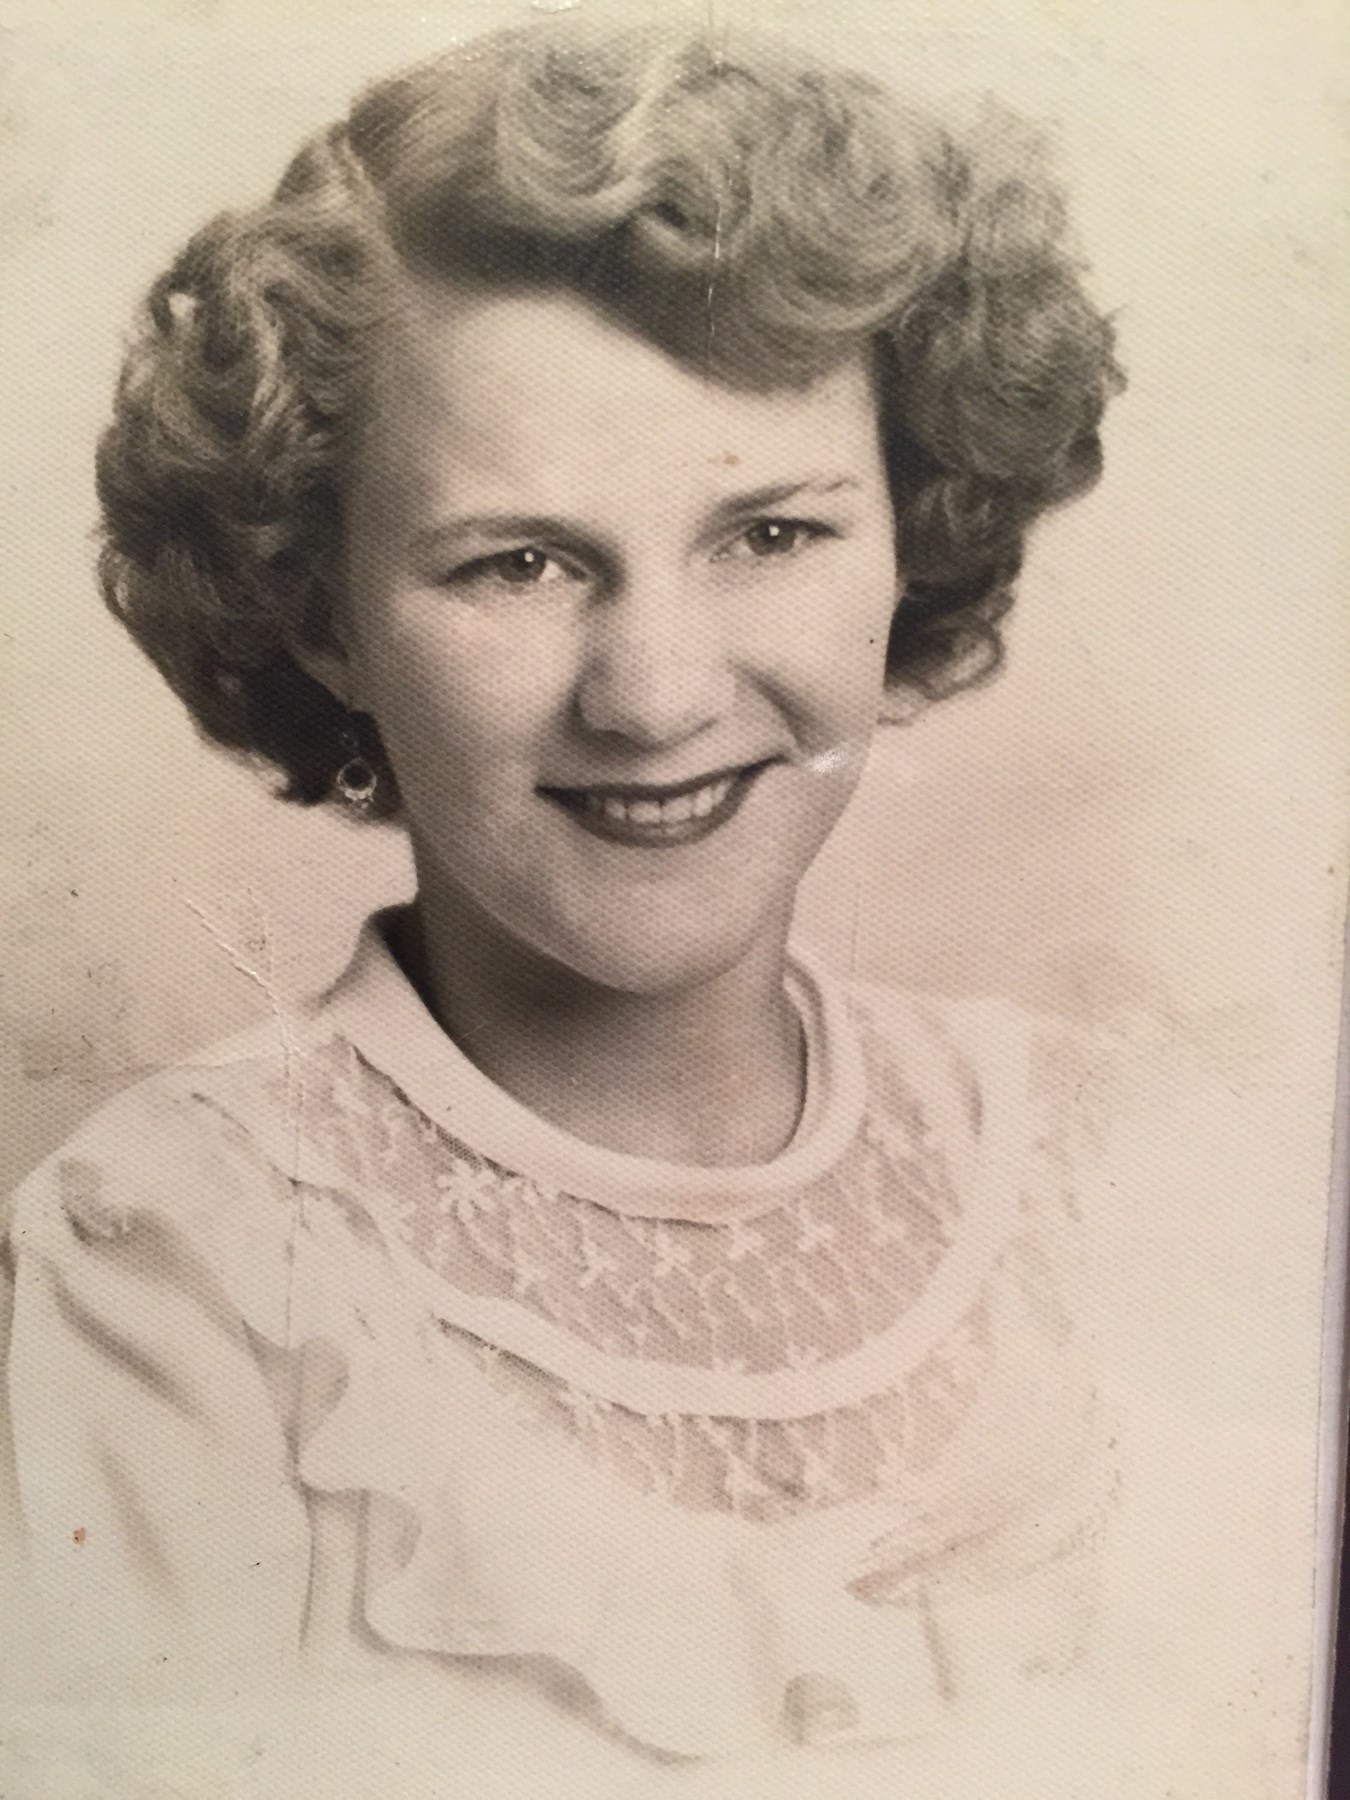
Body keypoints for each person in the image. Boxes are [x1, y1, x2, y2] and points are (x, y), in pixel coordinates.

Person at [1, 15, 1124, 1771]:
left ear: (913, 543)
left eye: (770, 534)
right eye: (516, 563)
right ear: (323, 618)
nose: (655, 696)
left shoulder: (1088, 1154)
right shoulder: (174, 1268)